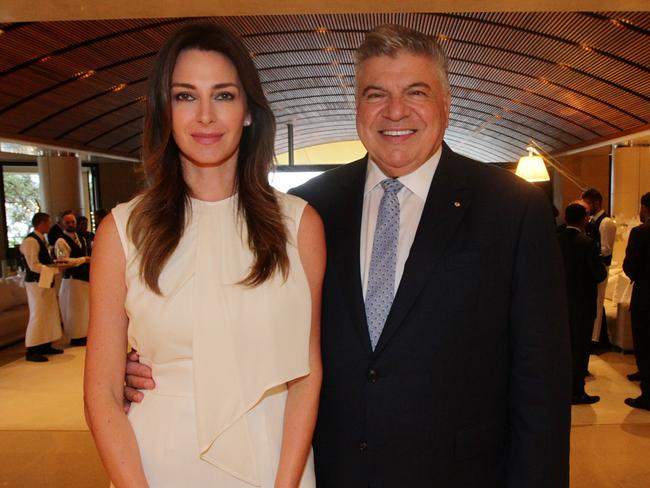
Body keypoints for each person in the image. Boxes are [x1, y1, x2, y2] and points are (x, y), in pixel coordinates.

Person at [126, 24, 571, 487]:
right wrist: (148, 360)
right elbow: (246, 319)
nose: (395, 111)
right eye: (376, 94)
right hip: (335, 471)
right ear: (357, 106)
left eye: (415, 91)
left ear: (446, 102)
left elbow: (541, 387)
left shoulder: (512, 209)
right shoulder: (307, 211)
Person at [84, 23, 324, 488]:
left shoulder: (299, 225)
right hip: (155, 463)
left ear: (250, 111)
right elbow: (102, 391)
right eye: (185, 96)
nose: (206, 117)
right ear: (164, 111)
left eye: (224, 95)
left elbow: (307, 373)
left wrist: (286, 483)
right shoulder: (122, 230)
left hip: (272, 459)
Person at [558, 203, 606, 404]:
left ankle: (560, 387)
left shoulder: (555, 239)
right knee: (581, 347)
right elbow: (599, 274)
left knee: (563, 347)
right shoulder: (586, 243)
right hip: (582, 303)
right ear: (584, 219)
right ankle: (576, 391)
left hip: (560, 303)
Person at [19, 212, 63, 362]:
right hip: (35, 283)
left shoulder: (41, 239)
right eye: (48, 223)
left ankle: (45, 344)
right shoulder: (31, 241)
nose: (50, 226)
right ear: (41, 223)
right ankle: (32, 349)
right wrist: (53, 269)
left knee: (48, 313)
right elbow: (33, 265)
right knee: (38, 314)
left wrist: (54, 266)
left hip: (45, 281)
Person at [622, 192, 650, 411]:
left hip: (646, 297)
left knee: (644, 342)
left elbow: (630, 267)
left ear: (645, 208)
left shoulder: (640, 233)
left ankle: (647, 394)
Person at [582, 188, 616, 346]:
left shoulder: (606, 222)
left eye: (588, 203)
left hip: (601, 266)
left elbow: (606, 249)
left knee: (597, 301)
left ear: (596, 203)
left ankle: (594, 340)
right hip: (592, 266)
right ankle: (593, 336)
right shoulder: (592, 221)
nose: (586, 207)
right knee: (591, 301)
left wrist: (588, 251)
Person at [54, 211, 91, 346]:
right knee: (74, 310)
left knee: (84, 309)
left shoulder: (81, 238)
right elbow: (63, 261)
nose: (71, 224)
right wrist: (83, 259)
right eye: (68, 222)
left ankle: (84, 334)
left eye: (73, 222)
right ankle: (76, 337)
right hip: (72, 280)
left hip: (84, 279)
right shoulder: (61, 241)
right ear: (62, 224)